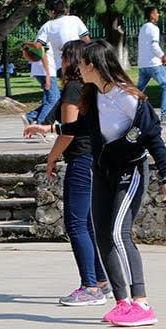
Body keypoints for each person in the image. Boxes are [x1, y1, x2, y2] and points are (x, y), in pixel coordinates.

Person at [25, 40, 166, 327]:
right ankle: (123, 303)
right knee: (102, 236)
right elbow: (84, 127)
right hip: (102, 172)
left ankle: (142, 303)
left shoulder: (129, 97)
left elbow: (153, 137)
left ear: (93, 66)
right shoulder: (94, 95)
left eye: (82, 63)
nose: (77, 67)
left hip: (130, 171)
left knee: (120, 232)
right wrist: (48, 128)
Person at [40, 40, 112, 306]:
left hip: (81, 161)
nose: (61, 62)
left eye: (63, 57)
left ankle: (90, 287)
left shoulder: (73, 88)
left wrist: (51, 157)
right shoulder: (93, 88)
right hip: (96, 159)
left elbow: (69, 130)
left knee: (76, 224)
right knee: (89, 224)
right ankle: (102, 281)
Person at [24, 0, 90, 126]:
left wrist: (27, 43)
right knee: (82, 92)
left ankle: (47, 121)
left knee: (69, 93)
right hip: (80, 61)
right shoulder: (75, 19)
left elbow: (38, 47)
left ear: (52, 12)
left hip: (63, 66)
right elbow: (86, 40)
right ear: (65, 10)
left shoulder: (47, 26)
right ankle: (48, 121)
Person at [137, 6, 166, 122]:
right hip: (154, 64)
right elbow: (154, 46)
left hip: (143, 64)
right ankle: (165, 113)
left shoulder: (142, 28)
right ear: (152, 15)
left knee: (138, 90)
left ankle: (131, 111)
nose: (158, 15)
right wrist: (162, 56)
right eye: (157, 13)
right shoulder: (154, 28)